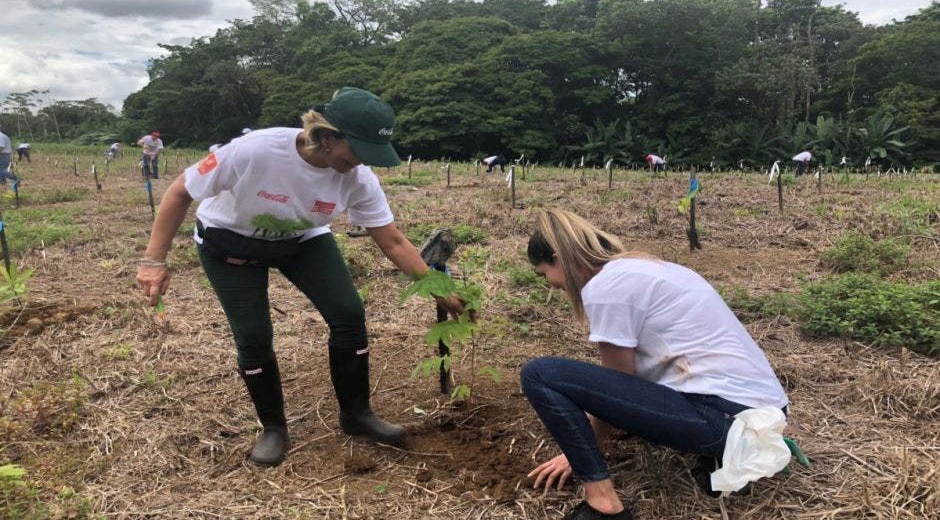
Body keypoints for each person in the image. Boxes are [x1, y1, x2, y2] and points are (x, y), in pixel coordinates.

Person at [135, 87, 465, 467]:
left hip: (302, 239)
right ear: (326, 136)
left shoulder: (358, 178)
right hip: (229, 244)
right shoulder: (255, 150)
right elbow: (179, 191)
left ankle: (357, 415)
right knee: (254, 335)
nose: (360, 162)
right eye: (355, 150)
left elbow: (392, 241)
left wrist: (438, 289)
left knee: (348, 313)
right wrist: (153, 260)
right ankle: (273, 427)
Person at [521, 209, 789, 520]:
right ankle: (719, 457)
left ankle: (603, 504)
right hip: (764, 417)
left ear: (557, 257)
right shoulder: (647, 268)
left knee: (541, 374)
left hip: (728, 419)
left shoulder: (606, 287)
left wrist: (578, 449)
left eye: (544, 274)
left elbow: (618, 380)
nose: (550, 284)